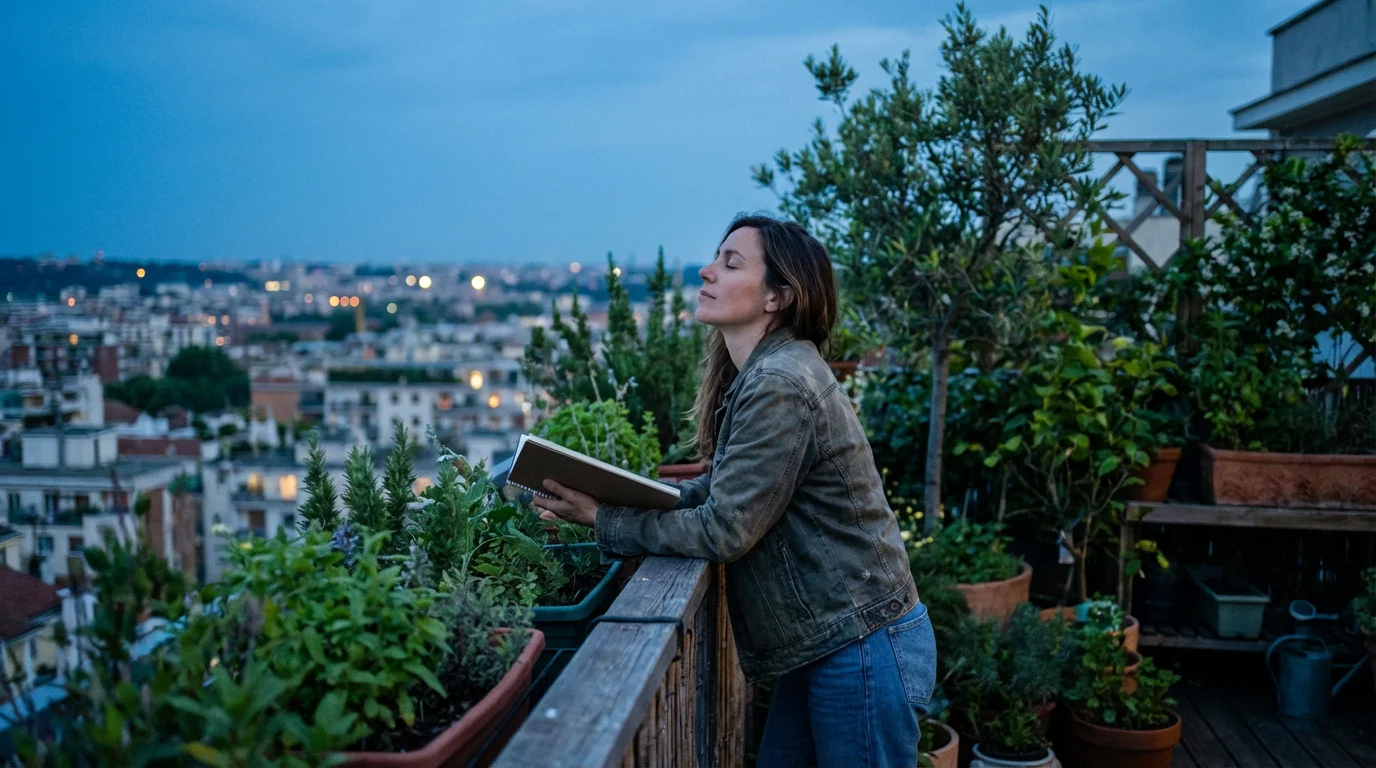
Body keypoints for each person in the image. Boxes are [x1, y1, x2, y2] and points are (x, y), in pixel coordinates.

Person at [533, 213, 936, 768]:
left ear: (778, 297)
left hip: (860, 643)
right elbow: (727, 492)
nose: (706, 270)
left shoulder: (780, 384)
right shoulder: (769, 373)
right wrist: (616, 499)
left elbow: (726, 529)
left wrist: (606, 521)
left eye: (731, 263)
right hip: (838, 638)